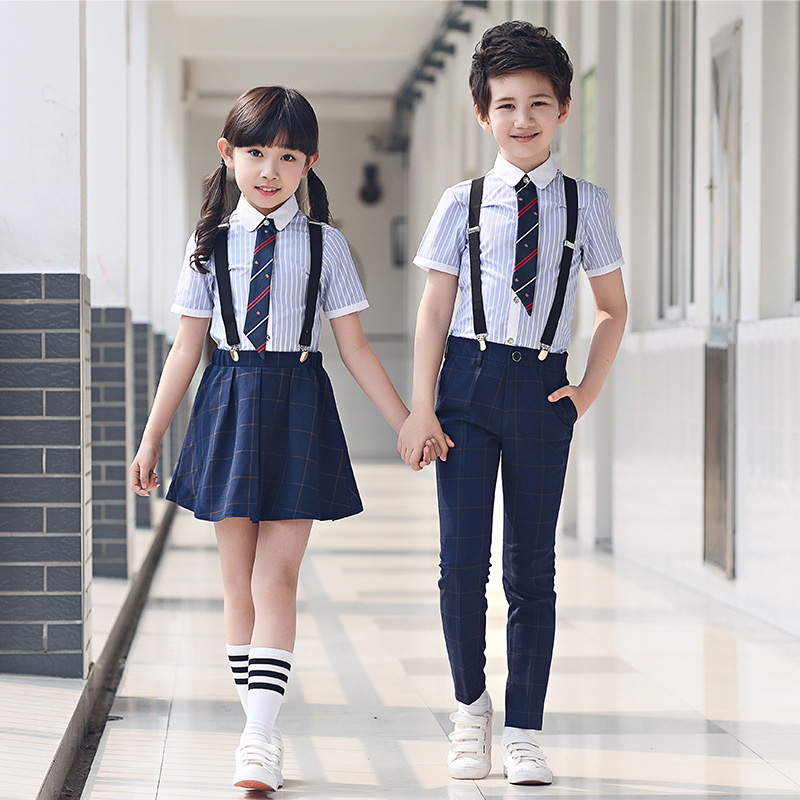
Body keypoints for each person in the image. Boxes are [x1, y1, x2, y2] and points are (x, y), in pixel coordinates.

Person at [129, 86, 414, 793]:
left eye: (287, 156)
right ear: (228, 155)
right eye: (255, 152)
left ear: (309, 163)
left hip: (297, 403)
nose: (269, 169)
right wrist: (150, 438)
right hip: (226, 403)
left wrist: (406, 419)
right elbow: (184, 353)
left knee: (273, 576)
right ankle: (256, 716)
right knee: (236, 581)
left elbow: (354, 349)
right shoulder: (208, 248)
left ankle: (259, 737)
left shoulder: (328, 246)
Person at [398, 21, 628, 786]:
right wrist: (420, 408)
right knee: (461, 564)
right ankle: (471, 713)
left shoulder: (584, 203)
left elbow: (612, 307)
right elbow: (434, 312)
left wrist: (584, 392)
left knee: (532, 570)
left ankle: (524, 729)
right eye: (505, 105)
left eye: (538, 103)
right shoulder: (459, 202)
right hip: (463, 388)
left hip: (541, 388)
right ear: (482, 114)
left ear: (564, 109)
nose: (521, 119)